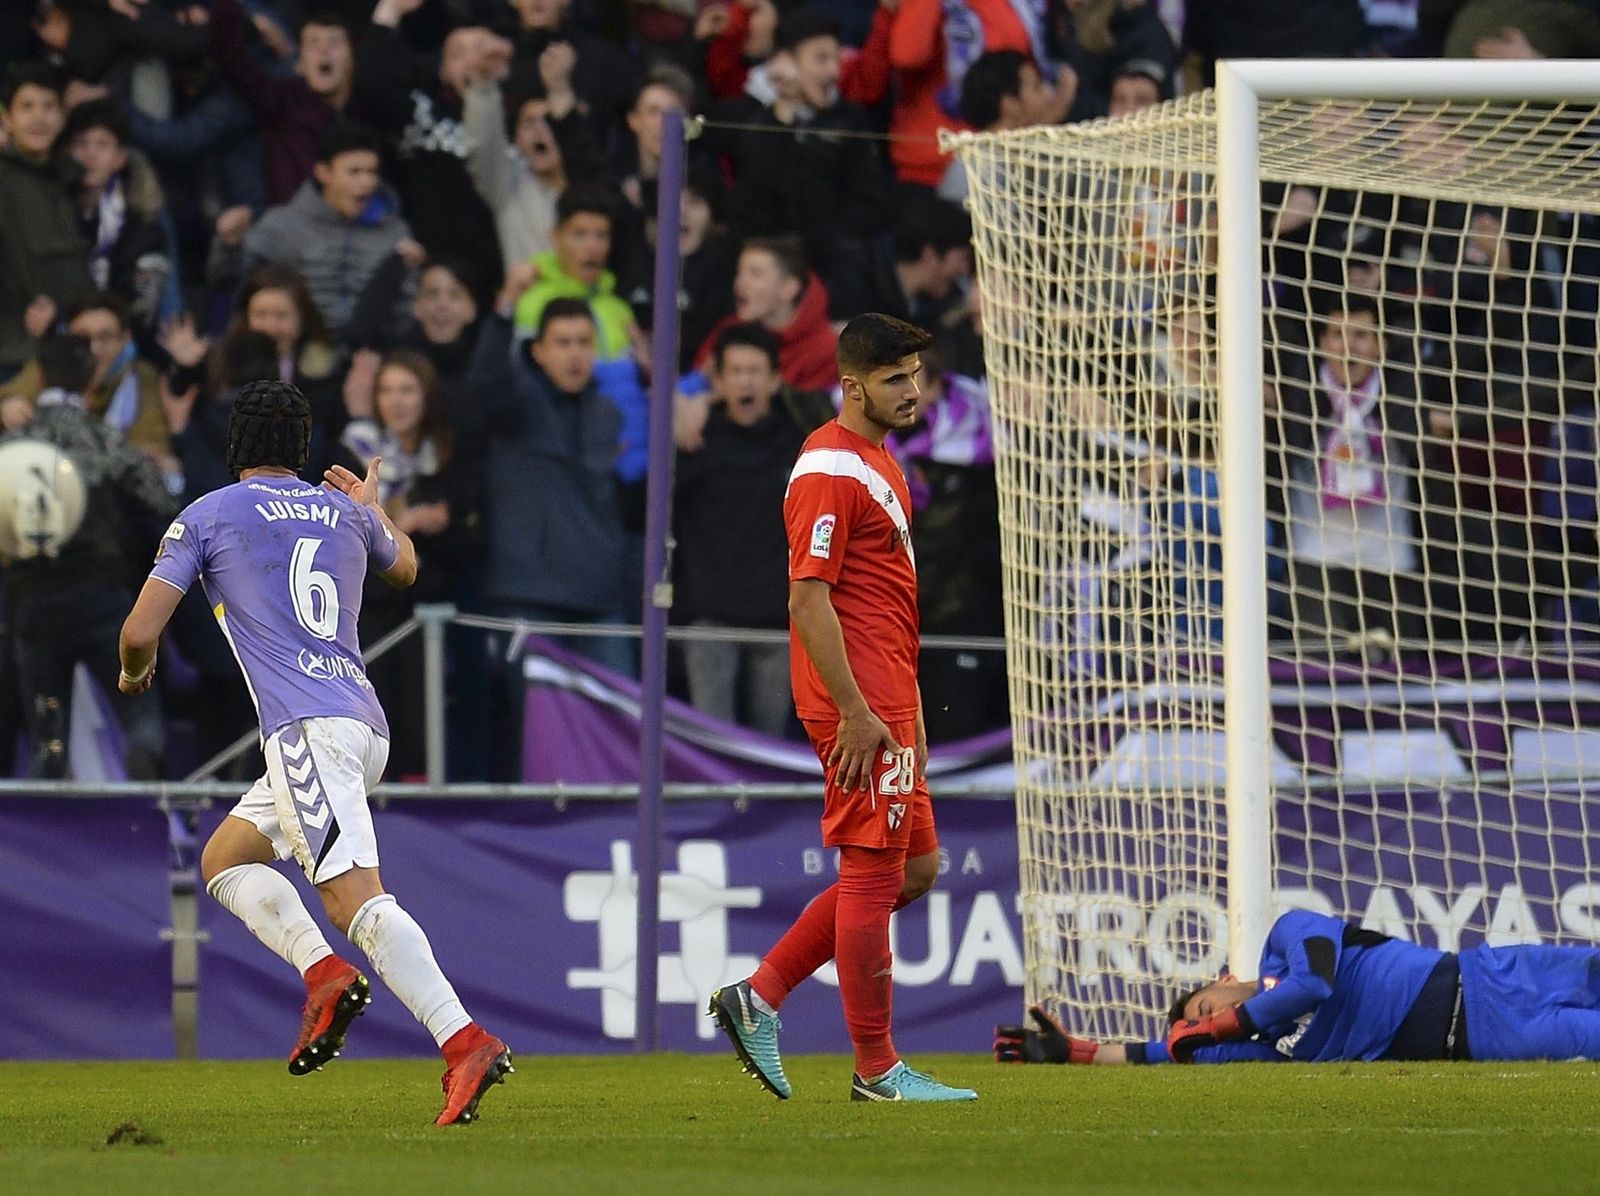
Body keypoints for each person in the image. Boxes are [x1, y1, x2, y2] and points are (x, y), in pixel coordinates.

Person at [116, 379, 511, 1126]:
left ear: (236, 445)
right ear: (302, 449)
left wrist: (136, 674)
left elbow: (140, 632)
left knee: (353, 898)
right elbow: (408, 567)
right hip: (363, 725)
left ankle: (465, 1041)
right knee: (225, 860)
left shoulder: (206, 514)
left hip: (305, 730)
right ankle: (325, 974)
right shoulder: (344, 511)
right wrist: (370, 505)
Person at [708, 313, 978, 1104]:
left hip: (890, 696)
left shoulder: (879, 462)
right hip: (858, 703)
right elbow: (807, 598)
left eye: (917, 376)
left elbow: (883, 599)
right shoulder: (829, 466)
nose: (913, 392)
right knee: (870, 874)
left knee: (916, 867)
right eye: (895, 379)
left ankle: (759, 995)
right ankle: (876, 1068)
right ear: (852, 385)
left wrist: (912, 705)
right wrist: (858, 710)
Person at [995, 908, 1600, 1067]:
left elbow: (1316, 983)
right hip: (1488, 1038)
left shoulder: (1289, 935)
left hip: (1491, 974)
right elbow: (1168, 1055)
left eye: (1206, 1003)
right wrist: (1078, 1051)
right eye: (1204, 1017)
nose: (1210, 1015)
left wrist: (1221, 1024)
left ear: (1227, 980)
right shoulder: (1264, 1044)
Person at [2, 333, 176, 779]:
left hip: (33, 602)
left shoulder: (13, 444)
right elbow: (158, 498)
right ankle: (142, 753)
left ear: (38, 376)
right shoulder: (102, 437)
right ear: (92, 377)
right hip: (101, 595)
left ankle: (47, 834)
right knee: (139, 712)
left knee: (49, 731)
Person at [673, 324, 806, 738]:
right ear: (718, 380)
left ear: (774, 380)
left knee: (768, 749)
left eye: (754, 371)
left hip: (778, 621)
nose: (745, 381)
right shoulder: (693, 440)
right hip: (709, 621)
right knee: (714, 744)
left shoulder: (798, 443)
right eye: (735, 371)